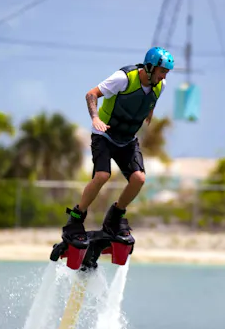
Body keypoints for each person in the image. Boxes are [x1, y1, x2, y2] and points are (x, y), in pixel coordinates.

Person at [61, 46, 175, 246]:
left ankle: (115, 218)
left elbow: (152, 98)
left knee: (139, 178)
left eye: (166, 72)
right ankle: (75, 220)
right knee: (102, 175)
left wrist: (149, 111)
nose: (165, 75)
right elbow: (91, 94)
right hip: (104, 135)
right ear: (149, 67)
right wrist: (95, 118)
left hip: (128, 139)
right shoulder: (123, 78)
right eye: (162, 70)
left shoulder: (160, 84)